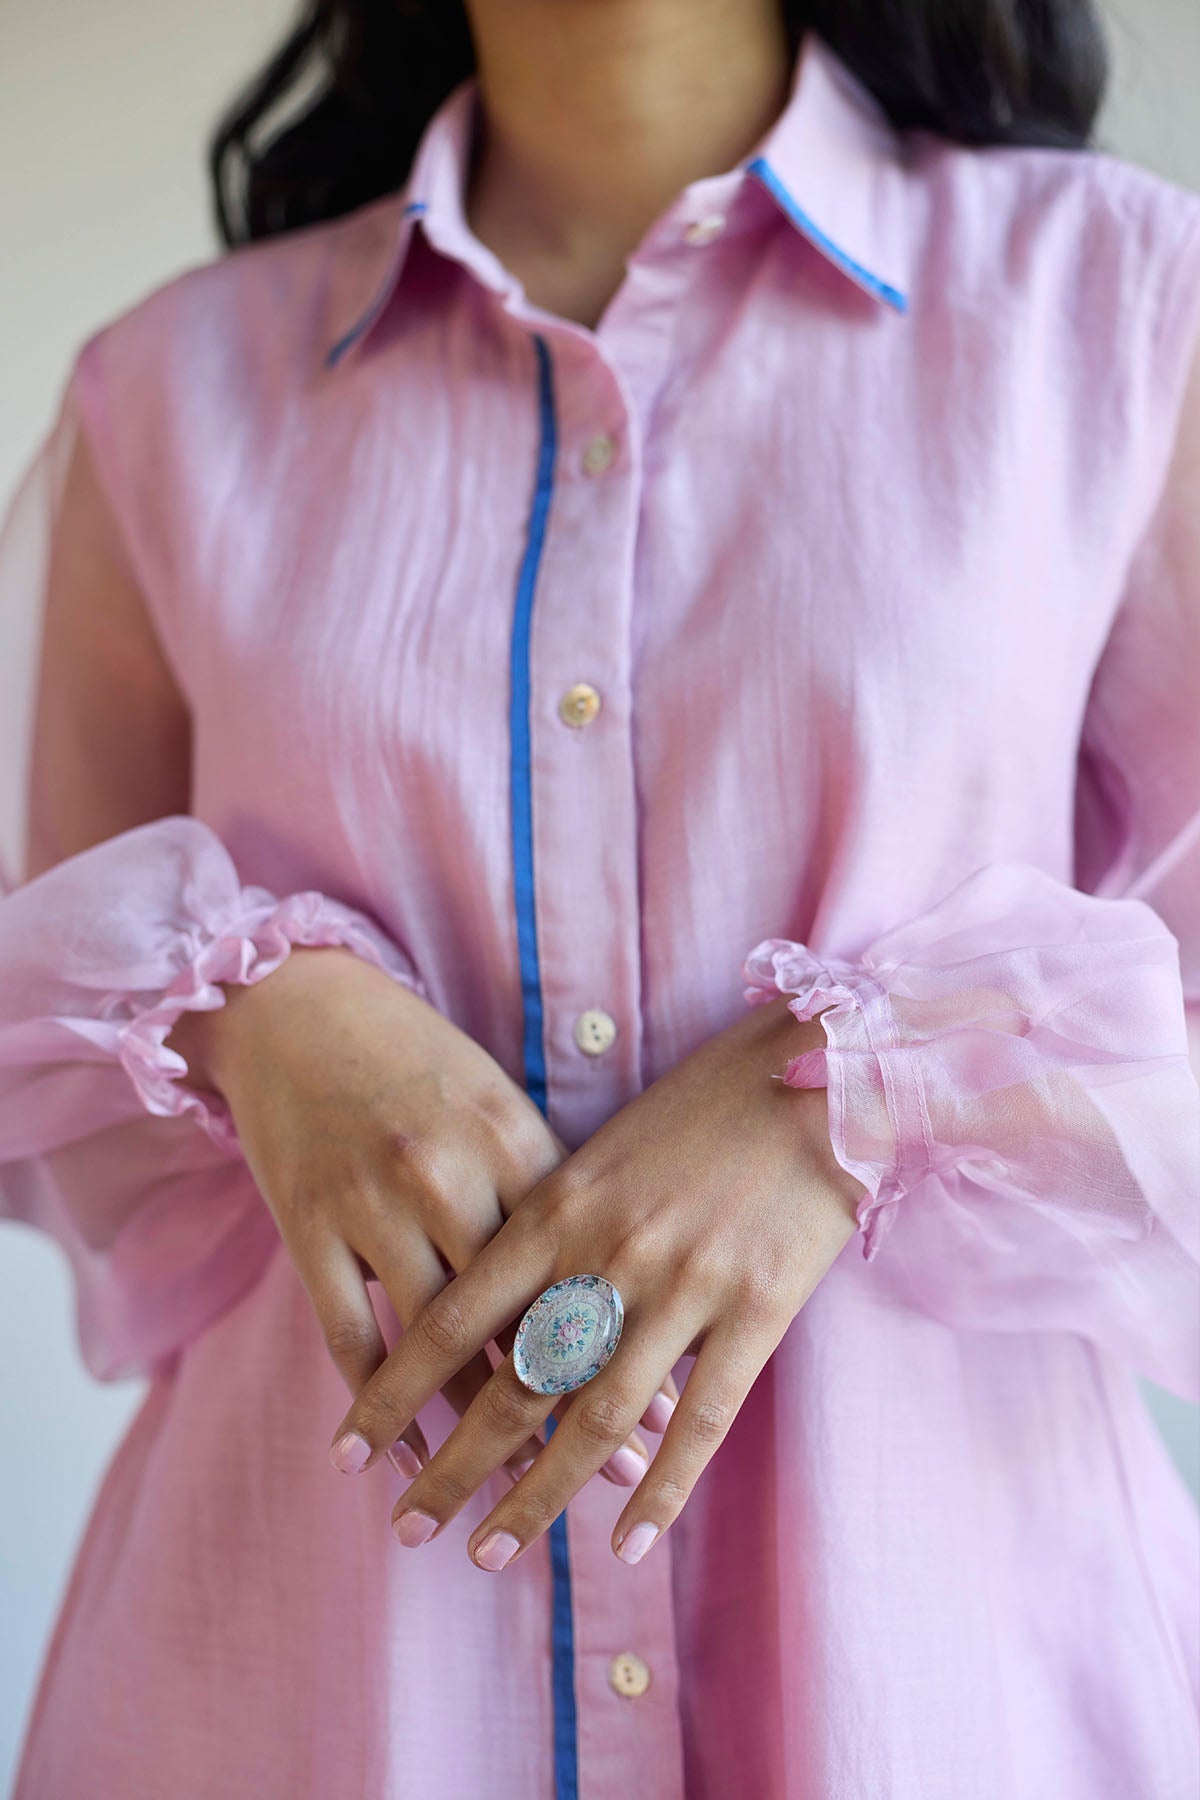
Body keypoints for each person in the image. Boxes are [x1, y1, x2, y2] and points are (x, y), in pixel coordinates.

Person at [2, 0, 1198, 1794]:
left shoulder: (1117, 302)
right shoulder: (167, 393)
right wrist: (251, 1012)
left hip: (946, 1667)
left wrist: (855, 1094)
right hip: (310, 1691)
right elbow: (44, 1040)